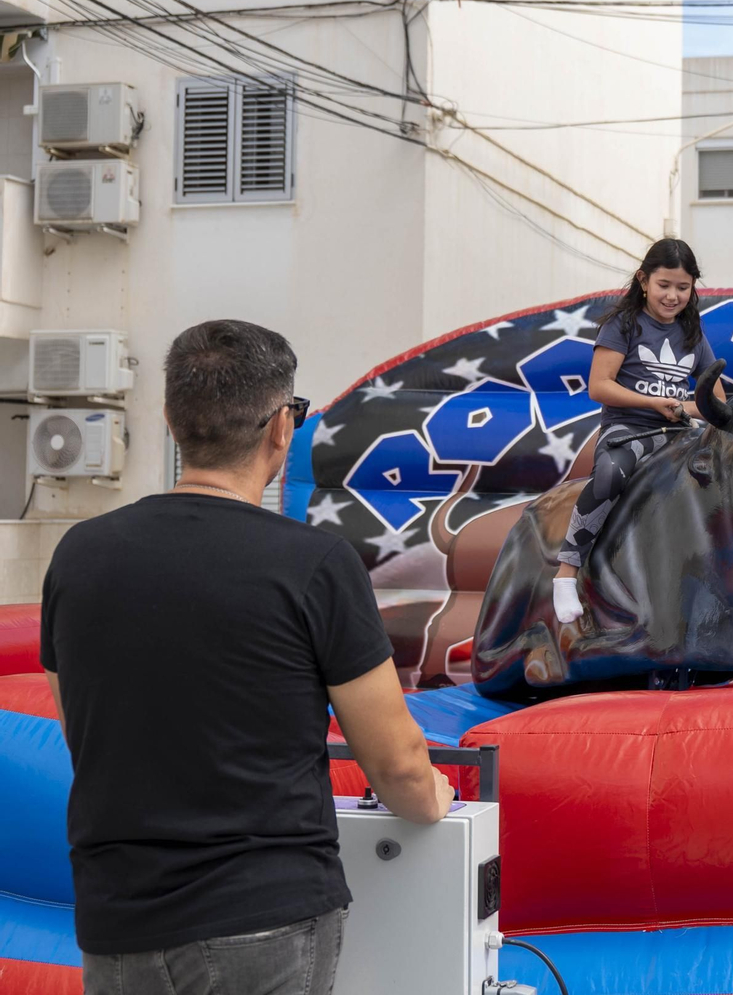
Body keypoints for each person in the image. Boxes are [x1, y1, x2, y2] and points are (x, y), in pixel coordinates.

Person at [41, 320, 452, 995]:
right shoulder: (313, 564)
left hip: (119, 923)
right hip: (265, 922)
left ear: (173, 420)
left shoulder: (79, 556)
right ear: (282, 429)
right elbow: (397, 760)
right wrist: (431, 797)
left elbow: (81, 726)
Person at [553, 238, 726, 624]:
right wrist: (652, 403)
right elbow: (599, 386)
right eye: (664, 285)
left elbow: (716, 403)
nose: (672, 296)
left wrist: (683, 408)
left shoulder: (694, 336)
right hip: (627, 431)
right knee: (612, 474)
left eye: (683, 288)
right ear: (644, 281)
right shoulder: (624, 325)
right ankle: (566, 571)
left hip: (678, 437)